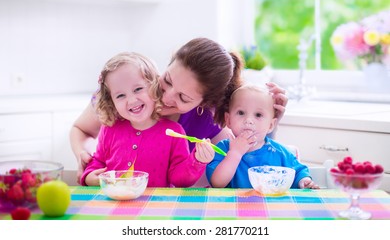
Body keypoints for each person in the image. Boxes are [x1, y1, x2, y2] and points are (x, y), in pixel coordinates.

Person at [70, 37, 288, 184]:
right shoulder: (126, 94)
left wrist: (272, 122)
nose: (166, 97)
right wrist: (85, 154)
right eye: (167, 80)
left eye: (183, 97)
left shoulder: (207, 121)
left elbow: (244, 157)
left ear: (204, 104)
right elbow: (81, 130)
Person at [81, 52, 214, 187]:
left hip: (155, 205)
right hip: (115, 202)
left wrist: (197, 161)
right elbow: (98, 161)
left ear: (154, 86)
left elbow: (180, 180)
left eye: (138, 89)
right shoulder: (109, 128)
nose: (132, 100)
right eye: (120, 95)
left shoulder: (173, 132)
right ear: (111, 101)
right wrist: (89, 176)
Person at [205, 84, 319, 189]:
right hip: (233, 208)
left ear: (271, 125)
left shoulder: (279, 152)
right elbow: (217, 183)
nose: (248, 120)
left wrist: (303, 181)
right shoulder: (222, 148)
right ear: (228, 120)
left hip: (271, 208)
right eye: (241, 113)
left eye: (258, 115)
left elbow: (298, 171)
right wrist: (235, 153)